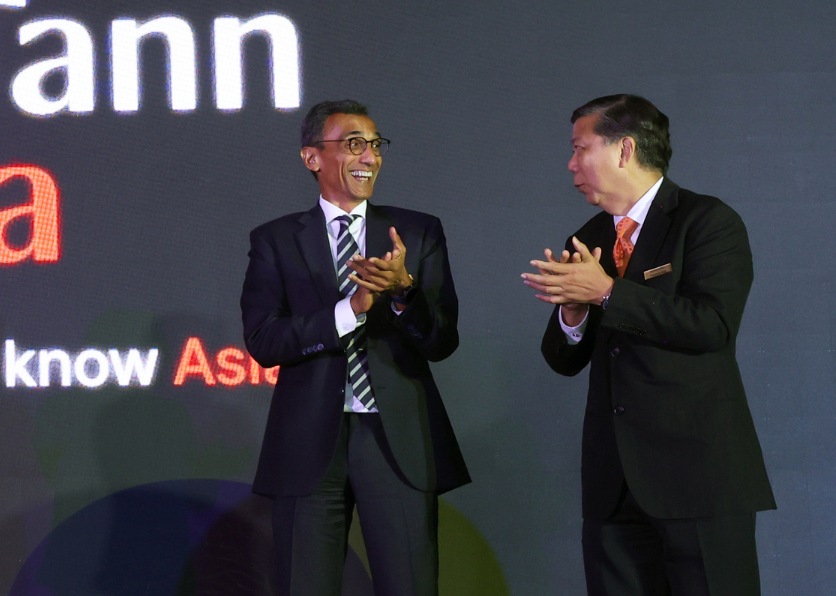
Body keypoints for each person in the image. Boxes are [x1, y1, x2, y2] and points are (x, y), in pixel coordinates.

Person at [523, 94, 774, 595]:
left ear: (624, 150)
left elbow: (712, 325)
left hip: (696, 476)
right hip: (613, 484)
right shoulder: (591, 235)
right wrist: (571, 314)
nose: (570, 164)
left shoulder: (706, 221)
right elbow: (563, 359)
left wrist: (607, 292)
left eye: (579, 148)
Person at [240, 100, 468, 596]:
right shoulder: (275, 240)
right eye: (352, 144)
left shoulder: (417, 232)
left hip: (398, 440)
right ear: (311, 158)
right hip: (307, 445)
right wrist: (351, 309)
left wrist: (405, 293)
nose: (369, 156)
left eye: (374, 144)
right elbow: (263, 340)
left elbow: (441, 340)